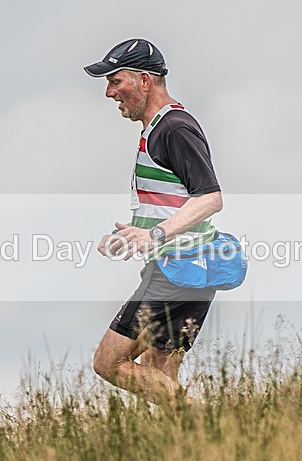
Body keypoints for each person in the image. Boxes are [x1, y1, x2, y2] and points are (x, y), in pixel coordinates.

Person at [84, 39, 224, 407]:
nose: (109, 92)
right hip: (188, 266)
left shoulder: (173, 128)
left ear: (145, 81)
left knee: (109, 362)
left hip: (178, 269)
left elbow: (210, 197)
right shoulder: (158, 128)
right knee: (158, 375)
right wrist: (133, 235)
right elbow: (173, 201)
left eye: (116, 81)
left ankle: (213, 419)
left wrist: (155, 234)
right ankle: (196, 450)